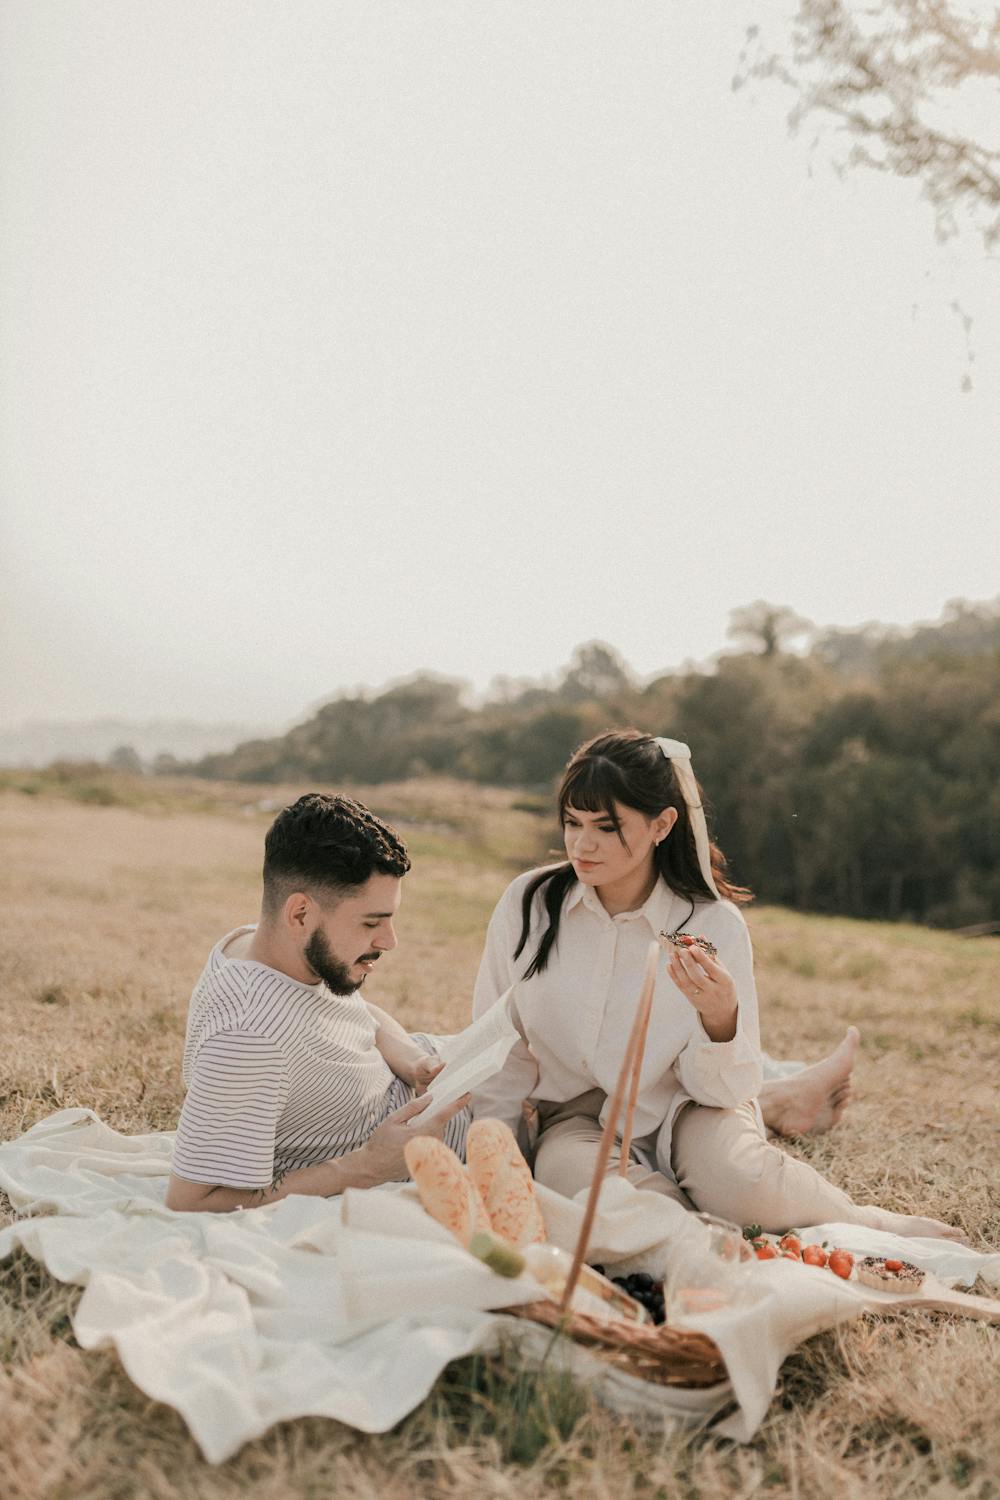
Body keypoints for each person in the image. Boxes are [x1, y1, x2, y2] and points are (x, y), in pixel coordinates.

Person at [472, 729, 960, 1239]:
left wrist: (720, 1018)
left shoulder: (713, 925)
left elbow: (726, 1088)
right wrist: (501, 1153)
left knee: (745, 1187)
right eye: (572, 822)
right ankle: (702, 1238)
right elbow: (498, 1043)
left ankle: (863, 1220)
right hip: (577, 1120)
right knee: (588, 1199)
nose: (581, 843)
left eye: (606, 827)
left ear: (662, 824)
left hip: (688, 1105)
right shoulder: (527, 905)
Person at [165, 794, 467, 1213]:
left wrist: (413, 1061)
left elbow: (362, 1017)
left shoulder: (266, 948)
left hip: (459, 1071)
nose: (389, 941)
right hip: (485, 1139)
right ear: (301, 914)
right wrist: (369, 1167)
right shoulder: (248, 1038)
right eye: (371, 922)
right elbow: (193, 1201)